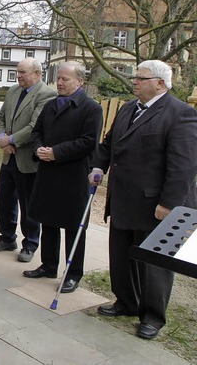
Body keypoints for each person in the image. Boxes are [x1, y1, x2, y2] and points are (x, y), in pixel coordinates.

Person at [90, 60, 197, 340]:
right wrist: (98, 166)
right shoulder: (128, 109)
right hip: (123, 197)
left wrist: (169, 204)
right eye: (134, 77)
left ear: (160, 83)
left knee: (154, 264)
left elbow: (183, 165)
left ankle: (152, 316)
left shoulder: (180, 114)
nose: (134, 81)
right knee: (121, 254)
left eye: (140, 77)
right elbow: (108, 143)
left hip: (154, 205)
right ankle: (126, 302)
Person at [23, 62, 102, 294]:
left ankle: (73, 274)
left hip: (73, 176)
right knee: (48, 221)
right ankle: (48, 265)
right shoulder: (50, 106)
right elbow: (36, 132)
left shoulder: (91, 109)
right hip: (48, 172)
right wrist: (38, 149)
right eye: (58, 78)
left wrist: (56, 152)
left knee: (73, 226)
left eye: (65, 79)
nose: (59, 82)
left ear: (80, 82)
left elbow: (88, 142)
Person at [0, 58, 56, 262]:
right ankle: (7, 237)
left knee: (29, 205)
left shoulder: (46, 94)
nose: (18, 76)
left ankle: (30, 244)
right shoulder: (13, 91)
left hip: (28, 160)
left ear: (37, 74)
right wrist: (2, 139)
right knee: (4, 200)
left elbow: (34, 127)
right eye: (18, 72)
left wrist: (10, 140)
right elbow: (0, 117)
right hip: (9, 157)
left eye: (23, 72)